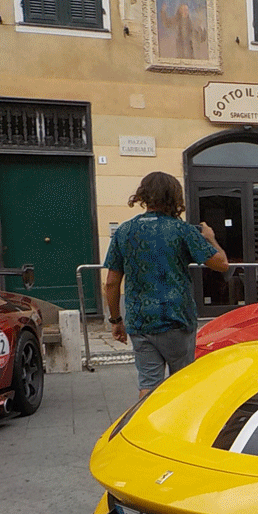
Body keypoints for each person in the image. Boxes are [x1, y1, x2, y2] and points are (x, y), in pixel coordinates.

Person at [104, 171, 229, 399]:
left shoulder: (124, 231)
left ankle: (145, 428)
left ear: (143, 195)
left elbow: (111, 283)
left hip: (140, 320)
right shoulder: (182, 230)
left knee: (148, 384)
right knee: (181, 382)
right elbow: (221, 264)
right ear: (174, 197)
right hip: (176, 319)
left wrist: (116, 320)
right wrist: (210, 237)